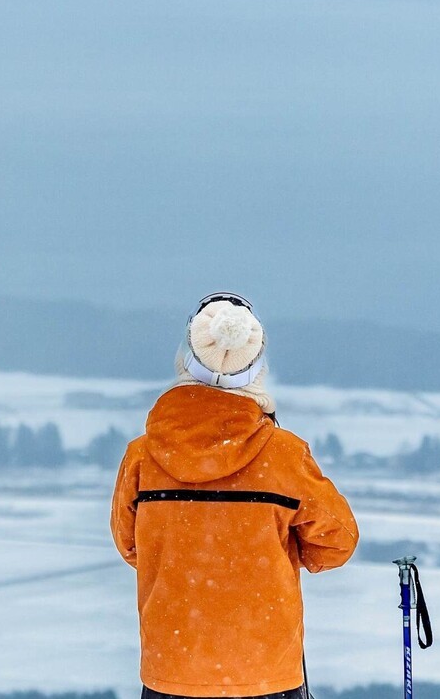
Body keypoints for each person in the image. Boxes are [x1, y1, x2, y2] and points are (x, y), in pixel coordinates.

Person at [110, 292, 359, 699]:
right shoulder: (283, 455)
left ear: (184, 360)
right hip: (267, 672)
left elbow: (130, 545)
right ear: (257, 368)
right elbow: (337, 544)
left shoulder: (143, 456)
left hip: (171, 669)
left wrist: (181, 558)